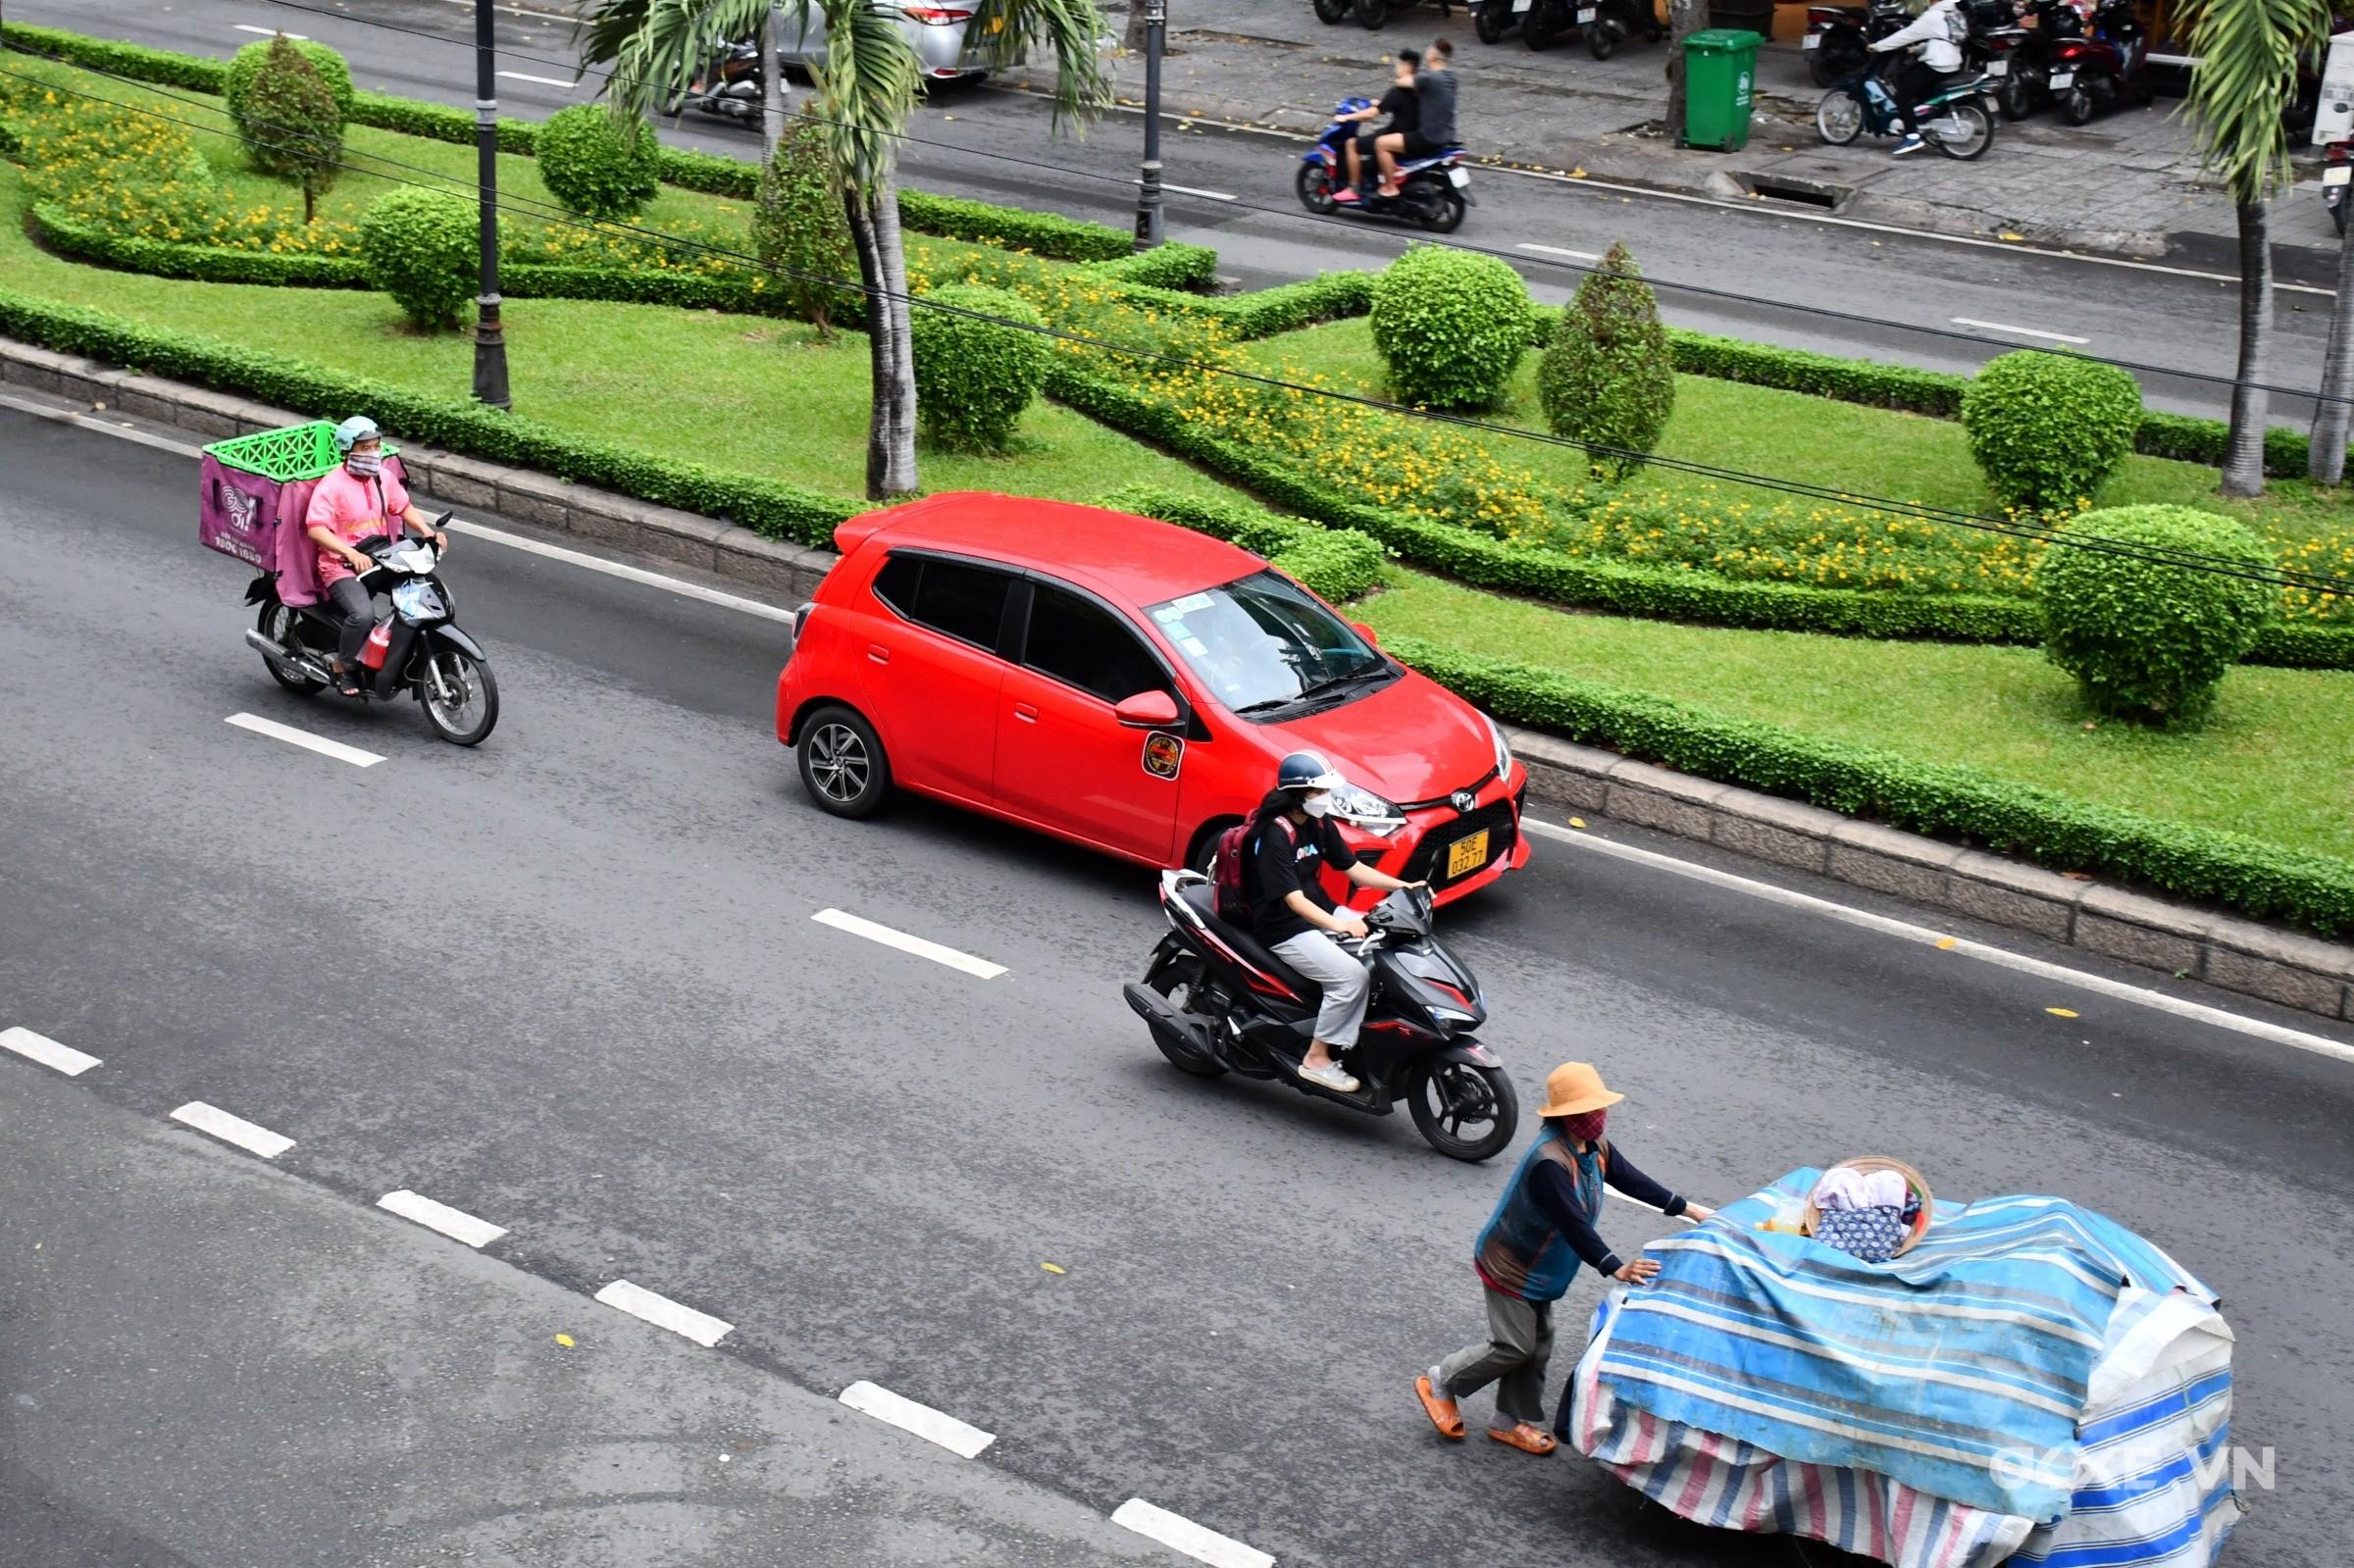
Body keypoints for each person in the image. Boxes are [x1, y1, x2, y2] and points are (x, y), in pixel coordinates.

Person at [1414, 1062, 1714, 1455]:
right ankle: (1442, 1380)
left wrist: (1686, 1208)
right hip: (1512, 1265)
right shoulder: (1550, 1164)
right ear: (1567, 1117)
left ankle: (1507, 1421)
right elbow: (1573, 1223)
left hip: (1542, 1268)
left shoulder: (1593, 1146)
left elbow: (1630, 1178)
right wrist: (1615, 1266)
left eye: (1600, 1109)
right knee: (1514, 1346)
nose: (1599, 1117)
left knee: (1538, 1344)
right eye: (1590, 1112)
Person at [1244, 750, 1423, 1092]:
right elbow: (1292, 900)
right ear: (1298, 795)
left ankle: (1353, 1034)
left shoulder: (1318, 823)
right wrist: (1338, 924)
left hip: (1318, 911)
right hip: (1284, 927)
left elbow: (1351, 868)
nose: (1326, 798)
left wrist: (1405, 886)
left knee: (1384, 948)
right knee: (1351, 977)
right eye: (1319, 792)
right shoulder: (1274, 835)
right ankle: (1317, 1058)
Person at [303, 416, 446, 696]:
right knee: (363, 615)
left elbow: (403, 507)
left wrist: (428, 533)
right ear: (348, 450)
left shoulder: (382, 477)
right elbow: (316, 529)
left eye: (376, 446)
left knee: (420, 593)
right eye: (365, 448)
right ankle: (344, 667)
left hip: (380, 558)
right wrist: (349, 553)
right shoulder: (331, 486)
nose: (373, 453)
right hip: (341, 566)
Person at [1868, 0, 1967, 156]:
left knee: (1902, 95)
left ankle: (1912, 136)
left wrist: (1878, 46)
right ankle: (1924, 122)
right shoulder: (1953, 12)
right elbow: (1944, 38)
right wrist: (1918, 49)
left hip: (1937, 64)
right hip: (1953, 62)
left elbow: (1906, 35)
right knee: (1920, 91)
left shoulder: (1933, 15)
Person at [1375, 35, 1458, 198]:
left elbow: (1403, 82)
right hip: (1447, 135)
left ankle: (1390, 186)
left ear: (1432, 55)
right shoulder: (1451, 78)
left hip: (1427, 137)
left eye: (1429, 49)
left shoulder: (1428, 78)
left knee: (1381, 143)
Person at [1336, 51, 1420, 204]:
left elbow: (1371, 115)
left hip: (1398, 136)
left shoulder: (1398, 91)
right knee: (1376, 135)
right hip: (1413, 134)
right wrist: (1381, 103)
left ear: (1406, 67)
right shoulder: (1419, 89)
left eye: (1398, 65)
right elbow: (1398, 105)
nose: (1396, 68)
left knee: (1351, 144)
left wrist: (1346, 117)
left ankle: (1353, 188)